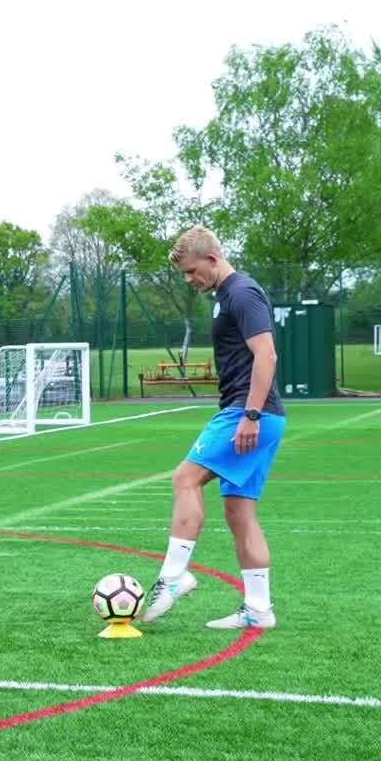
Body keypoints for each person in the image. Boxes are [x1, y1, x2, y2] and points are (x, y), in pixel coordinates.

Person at [137, 227, 286, 630]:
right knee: (239, 512)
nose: (189, 280)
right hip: (258, 413)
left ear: (212, 259)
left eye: (190, 271)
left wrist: (251, 415)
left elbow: (266, 354)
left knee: (185, 478)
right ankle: (258, 609)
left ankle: (173, 577)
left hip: (248, 411)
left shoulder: (242, 293)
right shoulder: (226, 297)